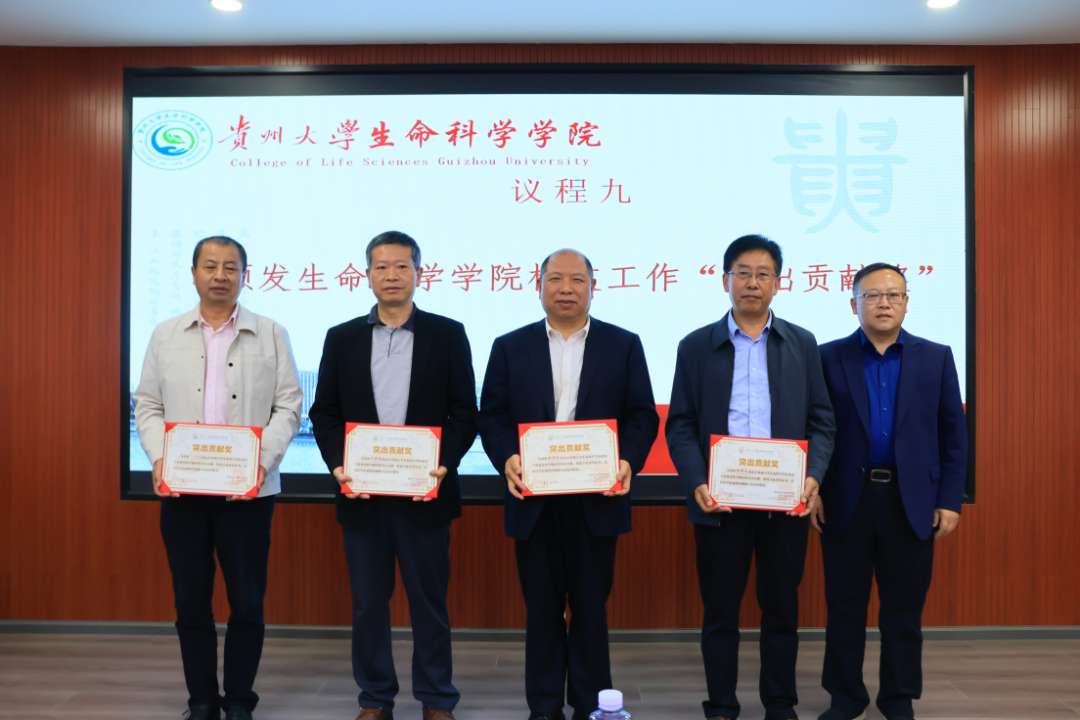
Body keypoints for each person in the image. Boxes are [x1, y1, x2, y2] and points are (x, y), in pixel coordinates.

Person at [477, 249, 660, 720]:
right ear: (538, 286)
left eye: (577, 279)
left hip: (597, 499)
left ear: (593, 288)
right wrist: (507, 457)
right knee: (541, 610)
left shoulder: (623, 345)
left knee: (591, 610)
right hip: (533, 499)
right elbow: (492, 415)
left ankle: (589, 705)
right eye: (555, 278)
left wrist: (627, 461)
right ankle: (543, 707)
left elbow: (642, 415)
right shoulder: (509, 346)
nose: (565, 288)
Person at [308, 231, 478, 720]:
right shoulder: (341, 337)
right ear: (367, 276)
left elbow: (465, 412)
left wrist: (443, 465)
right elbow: (324, 413)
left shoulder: (448, 334)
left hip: (426, 493)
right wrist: (338, 465)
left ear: (418, 274)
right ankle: (375, 698)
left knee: (429, 603)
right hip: (362, 495)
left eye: (402, 266)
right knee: (367, 605)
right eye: (381, 267)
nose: (391, 275)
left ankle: (436, 698)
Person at [666, 234, 836, 720]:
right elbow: (680, 424)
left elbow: (822, 420)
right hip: (720, 503)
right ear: (726, 280)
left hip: (785, 502)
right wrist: (696, 480)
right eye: (743, 273)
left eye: (763, 274)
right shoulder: (696, 345)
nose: (752, 283)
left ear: (778, 283)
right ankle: (721, 705)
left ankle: (780, 704)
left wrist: (813, 476)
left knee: (781, 610)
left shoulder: (802, 343)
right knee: (720, 612)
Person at [134, 235, 303, 720]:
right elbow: (147, 404)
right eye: (210, 265)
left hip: (248, 493)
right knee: (191, 602)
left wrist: (260, 463)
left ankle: (241, 700)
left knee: (247, 602)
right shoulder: (165, 334)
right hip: (183, 491)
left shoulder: (271, 333)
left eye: (231, 267)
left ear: (244, 276)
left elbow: (289, 405)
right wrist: (159, 457)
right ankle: (203, 700)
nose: (220, 275)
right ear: (193, 273)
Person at [812, 263, 967, 720]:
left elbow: (953, 435)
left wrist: (949, 499)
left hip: (911, 500)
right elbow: (811, 428)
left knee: (904, 610)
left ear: (906, 302)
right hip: (846, 500)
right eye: (873, 295)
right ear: (853, 304)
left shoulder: (936, 357)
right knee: (844, 609)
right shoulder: (827, 357)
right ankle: (846, 698)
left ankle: (898, 699)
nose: (884, 303)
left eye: (893, 295)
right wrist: (812, 487)